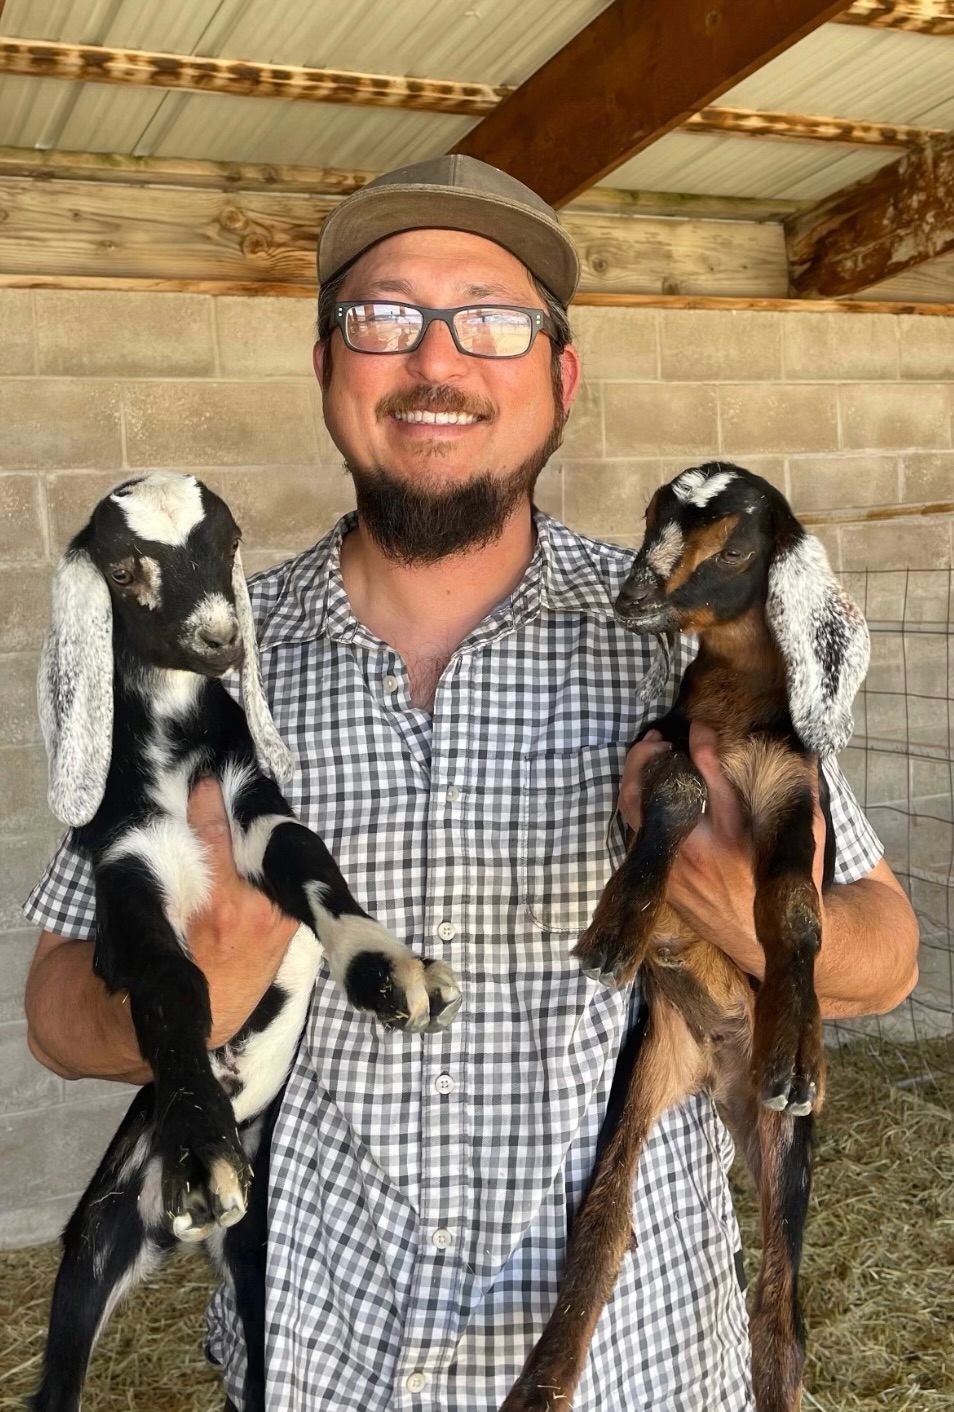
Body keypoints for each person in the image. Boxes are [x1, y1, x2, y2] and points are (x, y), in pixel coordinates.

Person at [24, 156, 919, 1411]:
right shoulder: (208, 652)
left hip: (638, 1371)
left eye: (491, 319)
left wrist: (726, 901)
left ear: (561, 376)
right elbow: (55, 1005)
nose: (435, 361)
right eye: (383, 316)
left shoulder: (683, 641)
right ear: (329, 366)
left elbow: (885, 954)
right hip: (317, 1372)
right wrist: (187, 1002)